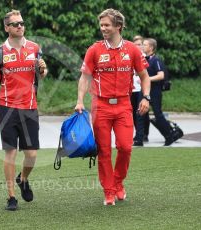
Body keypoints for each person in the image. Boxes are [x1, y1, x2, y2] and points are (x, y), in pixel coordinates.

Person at [74, 9, 151, 206]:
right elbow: (85, 77)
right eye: (101, 25)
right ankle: (108, 191)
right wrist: (80, 100)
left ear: (118, 26)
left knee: (125, 147)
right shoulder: (94, 50)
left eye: (107, 25)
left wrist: (146, 97)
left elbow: (144, 76)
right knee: (104, 151)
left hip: (124, 105)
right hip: (100, 105)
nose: (103, 28)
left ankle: (118, 182)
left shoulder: (132, 50)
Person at [0, 9, 47, 211]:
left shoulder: (35, 48)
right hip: (7, 108)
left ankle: (23, 178)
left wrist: (43, 70)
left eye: (22, 23)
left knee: (32, 155)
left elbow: (41, 75)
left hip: (29, 107)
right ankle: (11, 197)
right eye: (15, 24)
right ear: (6, 28)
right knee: (9, 153)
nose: (20, 26)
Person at [142, 38, 181, 146]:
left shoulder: (156, 60)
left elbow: (161, 75)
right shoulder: (145, 59)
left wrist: (147, 79)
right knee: (142, 113)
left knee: (158, 114)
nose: (142, 46)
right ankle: (143, 135)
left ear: (151, 47)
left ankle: (169, 135)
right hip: (147, 91)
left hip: (155, 91)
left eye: (145, 45)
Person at [131, 35, 150, 146]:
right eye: (136, 44)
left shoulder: (144, 57)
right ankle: (139, 135)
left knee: (140, 114)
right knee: (133, 114)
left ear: (143, 46)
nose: (137, 46)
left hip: (140, 89)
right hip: (132, 89)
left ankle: (140, 137)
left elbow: (146, 76)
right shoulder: (131, 55)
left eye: (139, 44)